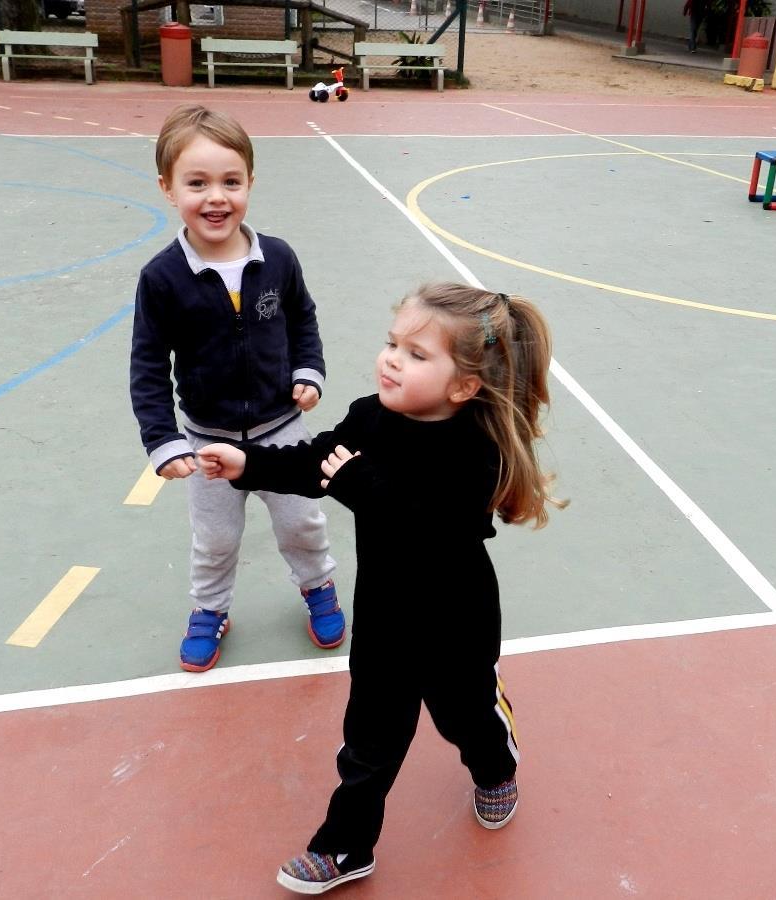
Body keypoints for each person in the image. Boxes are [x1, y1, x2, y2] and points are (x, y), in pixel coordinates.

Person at [198, 283, 564, 894]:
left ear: (463, 386)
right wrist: (250, 465)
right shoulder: (372, 416)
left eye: (417, 354)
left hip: (455, 619)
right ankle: (346, 848)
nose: (392, 358)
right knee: (369, 739)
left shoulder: (477, 447)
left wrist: (359, 482)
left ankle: (497, 769)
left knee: (464, 717)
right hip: (387, 616)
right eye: (393, 343)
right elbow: (321, 459)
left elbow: (438, 531)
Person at [130, 104, 345, 673]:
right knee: (216, 538)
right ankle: (209, 609)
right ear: (168, 189)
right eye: (197, 183)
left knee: (302, 520)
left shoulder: (277, 257)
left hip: (282, 430)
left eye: (231, 181)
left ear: (251, 182)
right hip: (208, 441)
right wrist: (163, 440)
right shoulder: (161, 277)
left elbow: (302, 318)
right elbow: (148, 363)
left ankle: (317, 586)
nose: (216, 197)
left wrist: (309, 370)